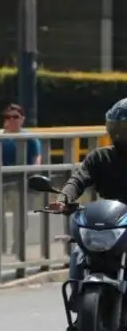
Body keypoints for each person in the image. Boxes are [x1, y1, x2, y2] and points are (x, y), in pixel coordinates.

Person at [49, 98, 127, 313]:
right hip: (110, 218)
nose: (122, 135)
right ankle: (78, 294)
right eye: (118, 128)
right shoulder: (100, 157)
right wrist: (64, 198)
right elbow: (79, 179)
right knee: (78, 250)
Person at [0, 104, 42, 254]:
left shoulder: (29, 138)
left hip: (21, 183)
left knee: (20, 216)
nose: (11, 120)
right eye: (7, 117)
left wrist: (33, 175)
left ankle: (18, 247)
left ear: (22, 119)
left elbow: (37, 158)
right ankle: (0, 247)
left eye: (15, 117)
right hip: (0, 183)